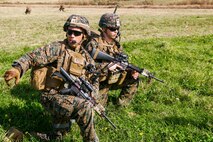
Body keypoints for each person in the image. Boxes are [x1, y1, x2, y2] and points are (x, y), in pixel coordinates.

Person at [4, 14, 99, 142]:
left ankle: (36, 136)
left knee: (58, 137)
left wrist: (94, 94)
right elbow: (32, 57)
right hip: (51, 96)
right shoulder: (57, 48)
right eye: (69, 32)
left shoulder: (87, 59)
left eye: (76, 33)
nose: (72, 35)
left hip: (71, 96)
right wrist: (17, 68)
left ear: (84, 36)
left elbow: (94, 79)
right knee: (84, 106)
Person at [85, 13, 140, 107]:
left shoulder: (116, 45)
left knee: (133, 79)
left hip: (112, 78)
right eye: (113, 29)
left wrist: (130, 70)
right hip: (98, 82)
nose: (116, 32)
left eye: (117, 29)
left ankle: (121, 106)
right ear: (103, 29)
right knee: (99, 111)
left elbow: (122, 62)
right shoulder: (93, 44)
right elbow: (87, 68)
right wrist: (107, 67)